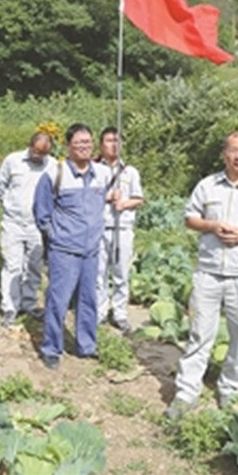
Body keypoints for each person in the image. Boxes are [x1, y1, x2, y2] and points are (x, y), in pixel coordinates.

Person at [165, 132, 238, 419]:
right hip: (209, 272)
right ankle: (186, 393)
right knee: (199, 333)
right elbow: (190, 218)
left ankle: (229, 389)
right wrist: (212, 226)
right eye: (233, 150)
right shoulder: (207, 185)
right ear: (224, 154)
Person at [33, 123, 117, 369]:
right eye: (78, 143)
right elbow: (41, 213)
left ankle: (86, 345)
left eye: (87, 143)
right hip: (64, 251)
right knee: (58, 301)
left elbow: (104, 200)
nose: (84, 147)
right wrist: (56, 236)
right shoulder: (54, 174)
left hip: (91, 250)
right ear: (68, 146)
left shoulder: (102, 173)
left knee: (88, 300)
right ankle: (51, 348)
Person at [0, 132, 57, 327]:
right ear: (30, 146)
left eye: (43, 153)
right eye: (36, 151)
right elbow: (0, 186)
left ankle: (29, 303)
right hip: (13, 222)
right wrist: (9, 205)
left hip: (37, 225)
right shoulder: (13, 161)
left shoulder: (53, 166)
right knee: (12, 265)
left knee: (34, 265)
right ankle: (10, 307)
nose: (38, 156)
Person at [95, 127, 144, 334]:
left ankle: (120, 312)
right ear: (101, 145)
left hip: (122, 227)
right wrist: (107, 197)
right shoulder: (94, 169)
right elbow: (87, 196)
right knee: (99, 273)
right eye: (108, 140)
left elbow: (138, 199)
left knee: (121, 272)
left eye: (117, 141)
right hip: (100, 226)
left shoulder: (130, 172)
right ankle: (99, 311)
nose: (113, 145)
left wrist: (124, 203)